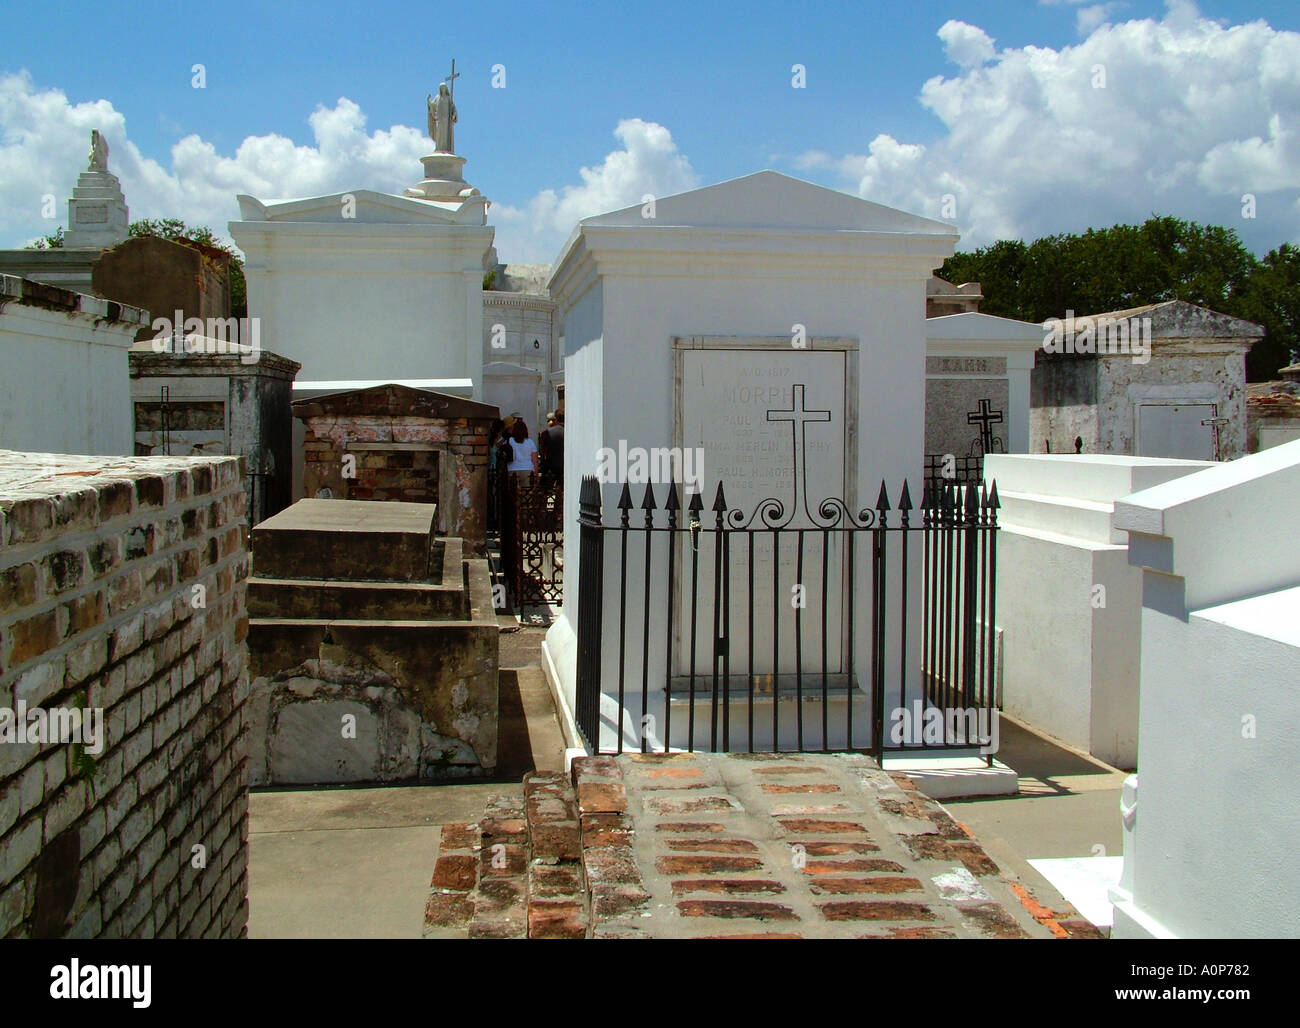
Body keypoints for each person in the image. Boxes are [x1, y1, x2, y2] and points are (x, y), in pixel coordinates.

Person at [540, 410, 564, 487]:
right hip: (563, 463)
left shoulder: (545, 433)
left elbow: (543, 450)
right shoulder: (567, 431)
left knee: (545, 489)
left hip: (549, 464)